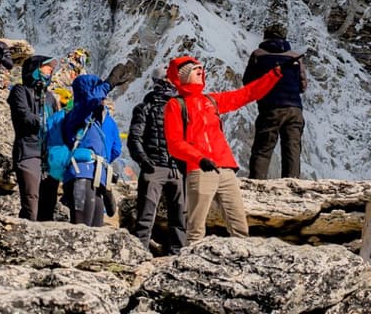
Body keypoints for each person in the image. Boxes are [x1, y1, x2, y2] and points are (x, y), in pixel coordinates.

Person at [164, 55, 283, 244]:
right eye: (195, 71)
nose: (200, 72)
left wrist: (275, 74)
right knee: (196, 228)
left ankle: (242, 262)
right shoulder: (176, 105)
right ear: (184, 76)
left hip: (225, 169)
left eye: (200, 70)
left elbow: (247, 94)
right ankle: (190, 268)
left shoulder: (211, 100)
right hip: (200, 169)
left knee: (239, 226)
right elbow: (175, 143)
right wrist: (199, 158)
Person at [128, 66, 186, 254]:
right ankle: (140, 254)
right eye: (170, 79)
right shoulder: (144, 108)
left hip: (176, 168)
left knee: (180, 216)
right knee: (146, 216)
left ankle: (177, 255)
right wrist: (145, 161)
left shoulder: (181, 108)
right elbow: (134, 139)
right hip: (155, 168)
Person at [243, 23, 306, 179]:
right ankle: (292, 184)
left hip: (270, 107)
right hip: (294, 108)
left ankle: (257, 183)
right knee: (292, 148)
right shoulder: (295, 57)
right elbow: (303, 85)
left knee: (263, 148)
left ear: (265, 36)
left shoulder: (258, 55)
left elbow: (248, 81)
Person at [61, 74, 121, 227]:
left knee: (83, 225)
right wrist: (107, 85)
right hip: (97, 176)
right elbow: (116, 150)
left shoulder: (76, 114)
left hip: (82, 172)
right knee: (93, 226)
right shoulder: (86, 114)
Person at [8, 55, 61, 221]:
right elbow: (23, 116)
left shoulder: (50, 97)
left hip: (48, 156)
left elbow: (57, 122)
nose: (50, 71)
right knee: (31, 203)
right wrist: (47, 122)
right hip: (28, 152)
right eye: (46, 67)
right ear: (35, 69)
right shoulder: (20, 91)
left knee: (48, 206)